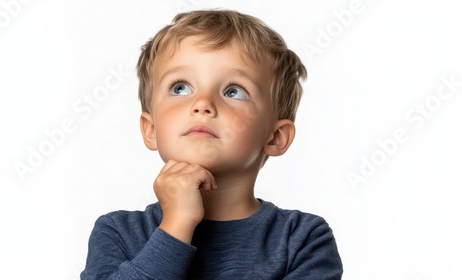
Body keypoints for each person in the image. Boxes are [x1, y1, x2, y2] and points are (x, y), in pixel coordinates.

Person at [81, 10, 343, 279]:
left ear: (276, 137)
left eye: (233, 91)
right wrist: (176, 224)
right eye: (180, 87)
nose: (202, 104)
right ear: (151, 130)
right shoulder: (118, 232)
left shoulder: (302, 239)